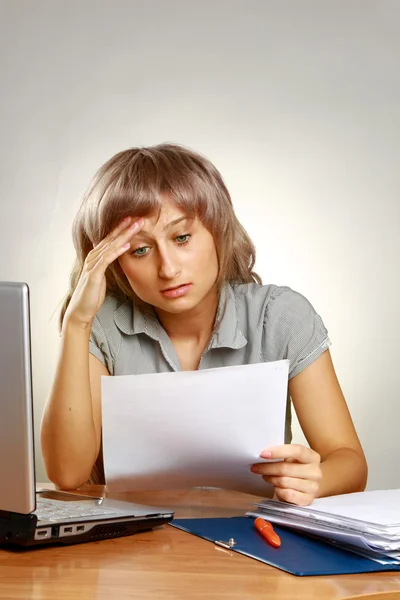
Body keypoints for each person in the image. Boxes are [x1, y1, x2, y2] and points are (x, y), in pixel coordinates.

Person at [41, 143, 368, 506]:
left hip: (254, 540)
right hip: (132, 550)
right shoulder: (102, 326)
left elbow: (350, 462)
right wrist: (77, 321)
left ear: (217, 229)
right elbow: (67, 475)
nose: (168, 269)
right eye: (140, 250)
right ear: (114, 263)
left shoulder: (281, 316)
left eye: (182, 238)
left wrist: (315, 478)